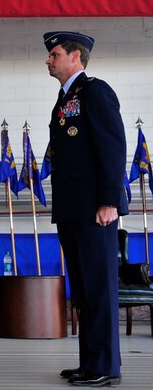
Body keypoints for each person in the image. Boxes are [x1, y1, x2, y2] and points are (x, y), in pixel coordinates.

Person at [44, 31, 128, 387]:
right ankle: (90, 361)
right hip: (72, 208)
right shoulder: (65, 99)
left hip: (96, 208)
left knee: (99, 288)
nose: (49, 59)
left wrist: (110, 200)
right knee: (82, 287)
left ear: (75, 57)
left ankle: (106, 366)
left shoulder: (95, 91)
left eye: (55, 53)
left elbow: (112, 146)